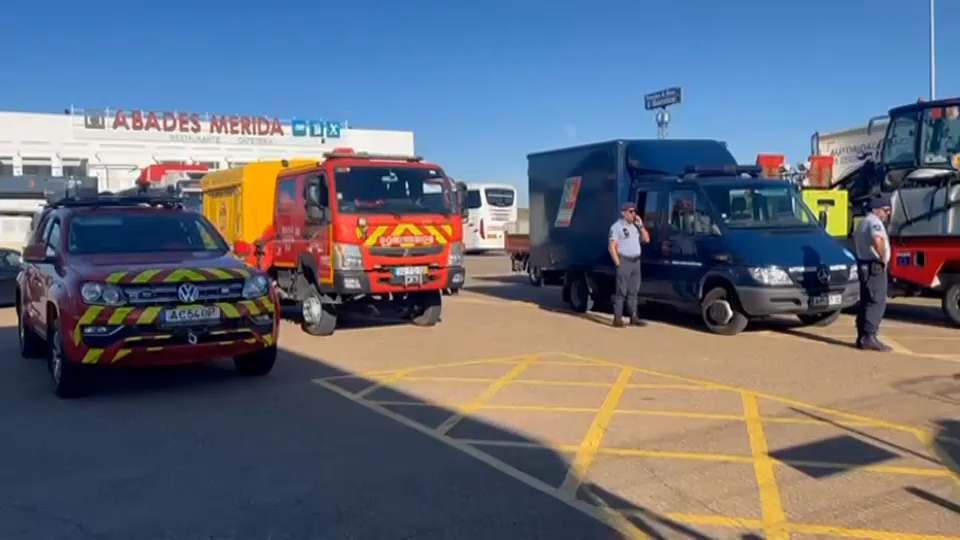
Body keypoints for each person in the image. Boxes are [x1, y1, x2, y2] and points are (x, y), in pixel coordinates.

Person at [852, 194, 893, 351]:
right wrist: (883, 258)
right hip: (874, 266)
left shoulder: (862, 221)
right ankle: (869, 337)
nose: (887, 213)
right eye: (885, 210)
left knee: (866, 301)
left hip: (864, 264)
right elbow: (878, 240)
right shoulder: (874, 222)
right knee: (876, 301)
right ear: (876, 210)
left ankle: (862, 336)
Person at [608, 202, 650, 328]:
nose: (633, 214)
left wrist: (641, 226)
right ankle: (617, 318)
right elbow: (612, 247)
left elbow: (647, 239)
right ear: (623, 212)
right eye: (631, 211)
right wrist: (618, 263)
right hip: (624, 261)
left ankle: (633, 317)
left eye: (634, 211)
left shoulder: (635, 227)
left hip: (635, 261)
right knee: (621, 292)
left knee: (634, 291)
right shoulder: (616, 227)